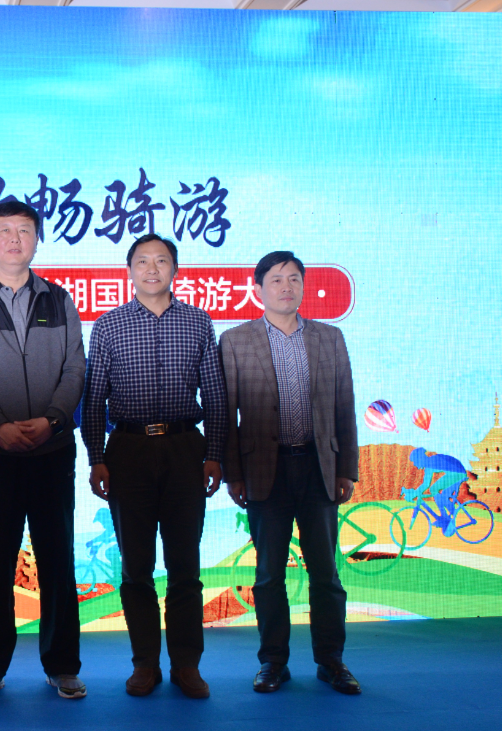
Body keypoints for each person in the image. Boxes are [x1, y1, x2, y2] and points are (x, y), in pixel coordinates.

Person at [0, 200, 86, 703]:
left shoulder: (59, 300)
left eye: (24, 230)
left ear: (36, 239)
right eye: (4, 231)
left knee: (57, 559)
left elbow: (75, 369)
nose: (14, 239)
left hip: (52, 451)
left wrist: (52, 421)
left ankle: (63, 666)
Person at [81, 233, 227, 700]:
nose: (151, 269)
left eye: (161, 260)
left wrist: (215, 453)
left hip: (185, 449)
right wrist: (97, 457)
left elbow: (216, 394)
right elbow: (93, 399)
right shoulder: (108, 325)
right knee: (136, 567)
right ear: (129, 271)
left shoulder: (199, 322)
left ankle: (187, 664)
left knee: (185, 565)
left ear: (175, 269)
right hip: (128, 451)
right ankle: (144, 664)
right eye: (142, 261)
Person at [219, 251, 361, 696]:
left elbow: (344, 406)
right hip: (265, 471)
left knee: (326, 574)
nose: (286, 287)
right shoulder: (235, 341)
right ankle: (273, 663)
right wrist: (233, 474)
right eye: (276, 280)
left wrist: (347, 468)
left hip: (319, 468)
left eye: (294, 279)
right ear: (258, 289)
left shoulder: (329, 338)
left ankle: (331, 661)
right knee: (268, 575)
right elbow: (226, 413)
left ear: (303, 286)